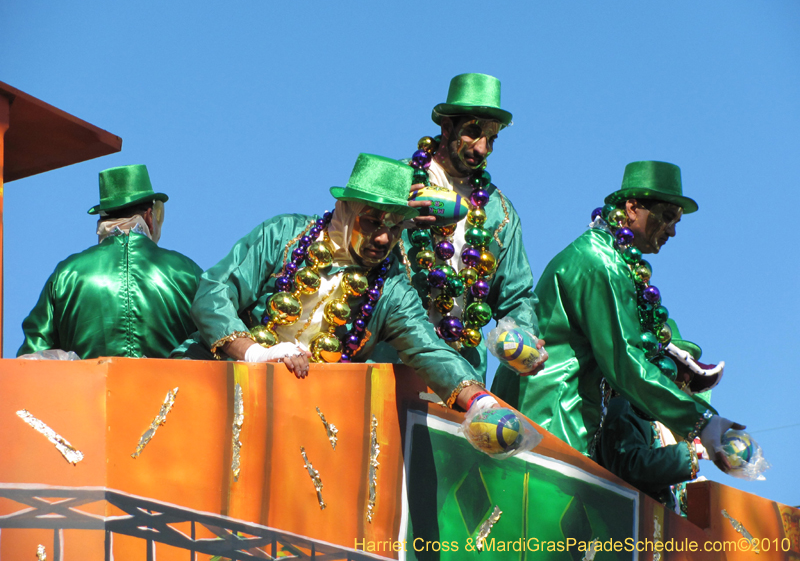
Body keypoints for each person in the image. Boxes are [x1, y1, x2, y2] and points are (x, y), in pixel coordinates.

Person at [175, 153, 489, 410]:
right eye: (372, 222)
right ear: (343, 209)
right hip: (207, 387)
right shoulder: (281, 235)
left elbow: (429, 350)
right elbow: (214, 292)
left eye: (395, 226)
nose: (383, 237)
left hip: (300, 414)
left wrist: (481, 403)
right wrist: (254, 353)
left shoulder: (391, 286)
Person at [492, 160, 742, 468]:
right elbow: (624, 361)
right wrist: (701, 420)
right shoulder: (600, 261)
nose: (673, 231)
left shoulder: (612, 258)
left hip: (553, 426)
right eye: (666, 216)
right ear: (632, 207)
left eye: (677, 220)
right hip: (549, 425)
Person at [373, 73, 544, 381]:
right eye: (473, 132)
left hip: (462, 371)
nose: (481, 149)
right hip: (387, 360)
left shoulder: (499, 211)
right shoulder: (397, 181)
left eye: (491, 140)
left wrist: (525, 340)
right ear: (446, 126)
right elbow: (348, 237)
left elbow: (516, 295)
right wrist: (394, 217)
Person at [18, 164, 203, 359]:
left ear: (102, 218)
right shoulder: (187, 272)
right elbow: (219, 343)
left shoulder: (66, 275)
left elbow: (32, 361)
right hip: (172, 390)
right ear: (149, 216)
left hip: (87, 390)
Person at [595, 319, 721, 515]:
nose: (684, 386)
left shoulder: (666, 429)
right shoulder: (627, 406)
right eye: (680, 373)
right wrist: (691, 452)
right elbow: (627, 466)